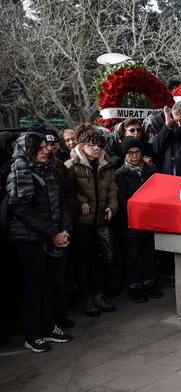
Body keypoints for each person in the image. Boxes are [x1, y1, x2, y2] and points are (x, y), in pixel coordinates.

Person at [6, 132, 73, 352]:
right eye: (42, 147)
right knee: (35, 286)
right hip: (30, 239)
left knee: (49, 283)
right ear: (29, 149)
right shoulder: (19, 169)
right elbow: (21, 209)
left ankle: (49, 326)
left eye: (47, 146)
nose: (47, 150)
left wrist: (63, 230)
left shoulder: (49, 168)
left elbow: (61, 201)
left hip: (53, 235)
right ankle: (33, 334)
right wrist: (52, 233)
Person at [66, 124, 119, 317]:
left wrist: (111, 207)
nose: (98, 149)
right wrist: (82, 202)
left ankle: (99, 295)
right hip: (82, 222)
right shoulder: (71, 165)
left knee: (102, 259)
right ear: (82, 145)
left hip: (101, 219)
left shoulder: (106, 163)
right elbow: (68, 190)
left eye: (100, 145)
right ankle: (86, 297)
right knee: (84, 260)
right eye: (93, 145)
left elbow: (113, 188)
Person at [115, 137, 161, 304]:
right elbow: (122, 200)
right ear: (125, 155)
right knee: (132, 257)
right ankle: (134, 286)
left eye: (137, 152)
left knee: (149, 255)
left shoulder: (151, 169)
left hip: (149, 221)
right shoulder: (120, 174)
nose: (134, 156)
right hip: (131, 222)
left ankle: (149, 282)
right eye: (130, 153)